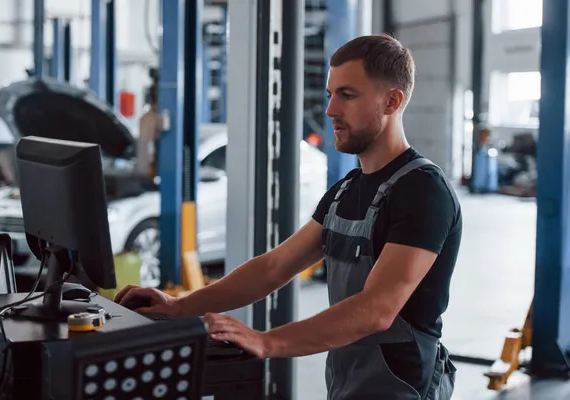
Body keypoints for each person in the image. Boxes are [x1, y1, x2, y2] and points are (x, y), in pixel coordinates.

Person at [115, 34, 462, 399]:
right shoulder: (345, 191)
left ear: (392, 101)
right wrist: (180, 306)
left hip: (403, 389)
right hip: (349, 384)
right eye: (330, 95)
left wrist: (268, 343)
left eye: (347, 94)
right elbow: (274, 267)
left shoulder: (423, 191)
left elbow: (376, 309)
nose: (330, 110)